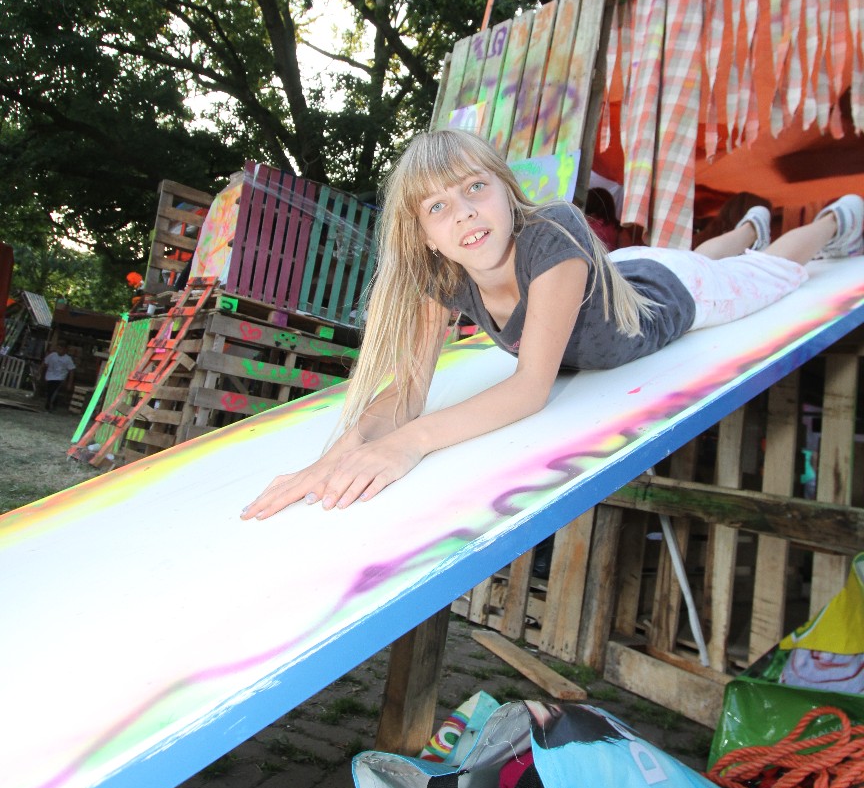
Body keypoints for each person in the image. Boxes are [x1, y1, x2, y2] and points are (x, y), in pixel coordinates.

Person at [242, 130, 864, 520]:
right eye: (439, 206)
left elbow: (529, 388)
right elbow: (406, 390)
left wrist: (409, 443)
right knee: (704, 254)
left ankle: (832, 223)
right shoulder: (443, 276)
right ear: (425, 234)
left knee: (771, 272)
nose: (464, 213)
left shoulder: (553, 230)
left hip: (673, 295)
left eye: (475, 188)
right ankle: (747, 226)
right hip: (625, 271)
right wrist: (340, 452)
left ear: (507, 191)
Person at [40, 340, 76, 412]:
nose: (59, 350)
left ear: (65, 350)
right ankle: (52, 404)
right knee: (49, 391)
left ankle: (49, 406)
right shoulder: (52, 355)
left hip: (60, 378)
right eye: (58, 348)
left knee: (54, 391)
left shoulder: (68, 359)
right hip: (49, 377)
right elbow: (44, 363)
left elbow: (71, 371)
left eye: (61, 349)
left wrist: (69, 383)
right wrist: (39, 372)